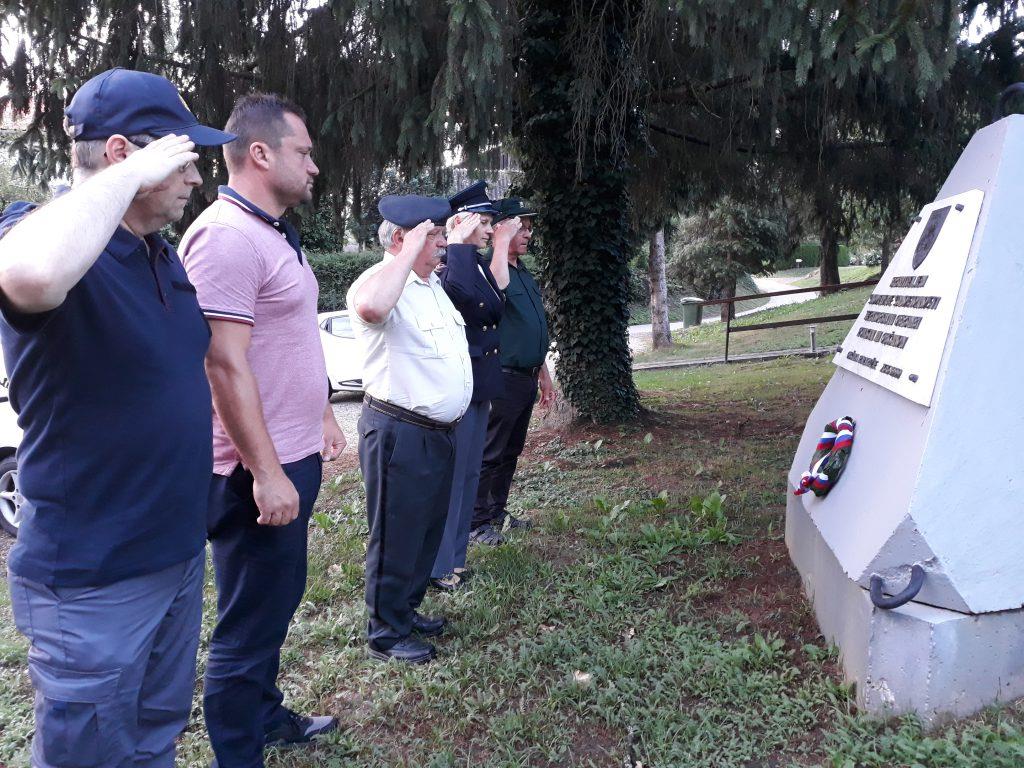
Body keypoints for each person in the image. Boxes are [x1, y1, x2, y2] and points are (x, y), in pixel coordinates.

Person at [0, 68, 235, 768]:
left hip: (175, 556)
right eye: (182, 158)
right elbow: (30, 276)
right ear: (123, 152)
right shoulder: (40, 236)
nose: (196, 176)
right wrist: (126, 175)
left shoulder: (159, 255)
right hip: (93, 579)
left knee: (154, 738)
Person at [179, 94, 346, 767]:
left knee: (275, 602)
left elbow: (290, 338)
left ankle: (266, 715)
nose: (314, 166)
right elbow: (222, 363)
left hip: (290, 454)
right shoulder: (225, 237)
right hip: (252, 469)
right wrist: (268, 472)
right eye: (303, 152)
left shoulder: (270, 232)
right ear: (260, 154)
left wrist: (322, 411)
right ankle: (239, 753)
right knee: (247, 626)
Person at [347, 194, 472, 663]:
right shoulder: (379, 281)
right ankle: (384, 633)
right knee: (396, 533)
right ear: (402, 238)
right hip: (399, 431)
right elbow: (372, 309)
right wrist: (406, 254)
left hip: (437, 432)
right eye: (432, 235)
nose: (442, 244)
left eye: (440, 235)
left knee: (424, 530)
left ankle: (405, 609)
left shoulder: (429, 285)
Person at [429, 180, 520, 590]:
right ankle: (439, 566)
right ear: (460, 223)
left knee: (468, 475)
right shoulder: (449, 264)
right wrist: (458, 244)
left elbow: (496, 295)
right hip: (460, 384)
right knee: (453, 480)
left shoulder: (476, 264)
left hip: (479, 382)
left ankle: (456, 559)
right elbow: (463, 296)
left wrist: (486, 246)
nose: (489, 230)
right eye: (482, 223)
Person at [469, 198, 555, 546]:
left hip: (526, 377)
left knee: (510, 450)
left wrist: (544, 373)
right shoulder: (490, 271)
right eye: (521, 228)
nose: (528, 234)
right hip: (502, 377)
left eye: (530, 228)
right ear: (501, 230)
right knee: (490, 451)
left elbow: (528, 328)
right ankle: (476, 522)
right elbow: (493, 292)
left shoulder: (523, 272)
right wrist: (501, 245)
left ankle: (495, 511)